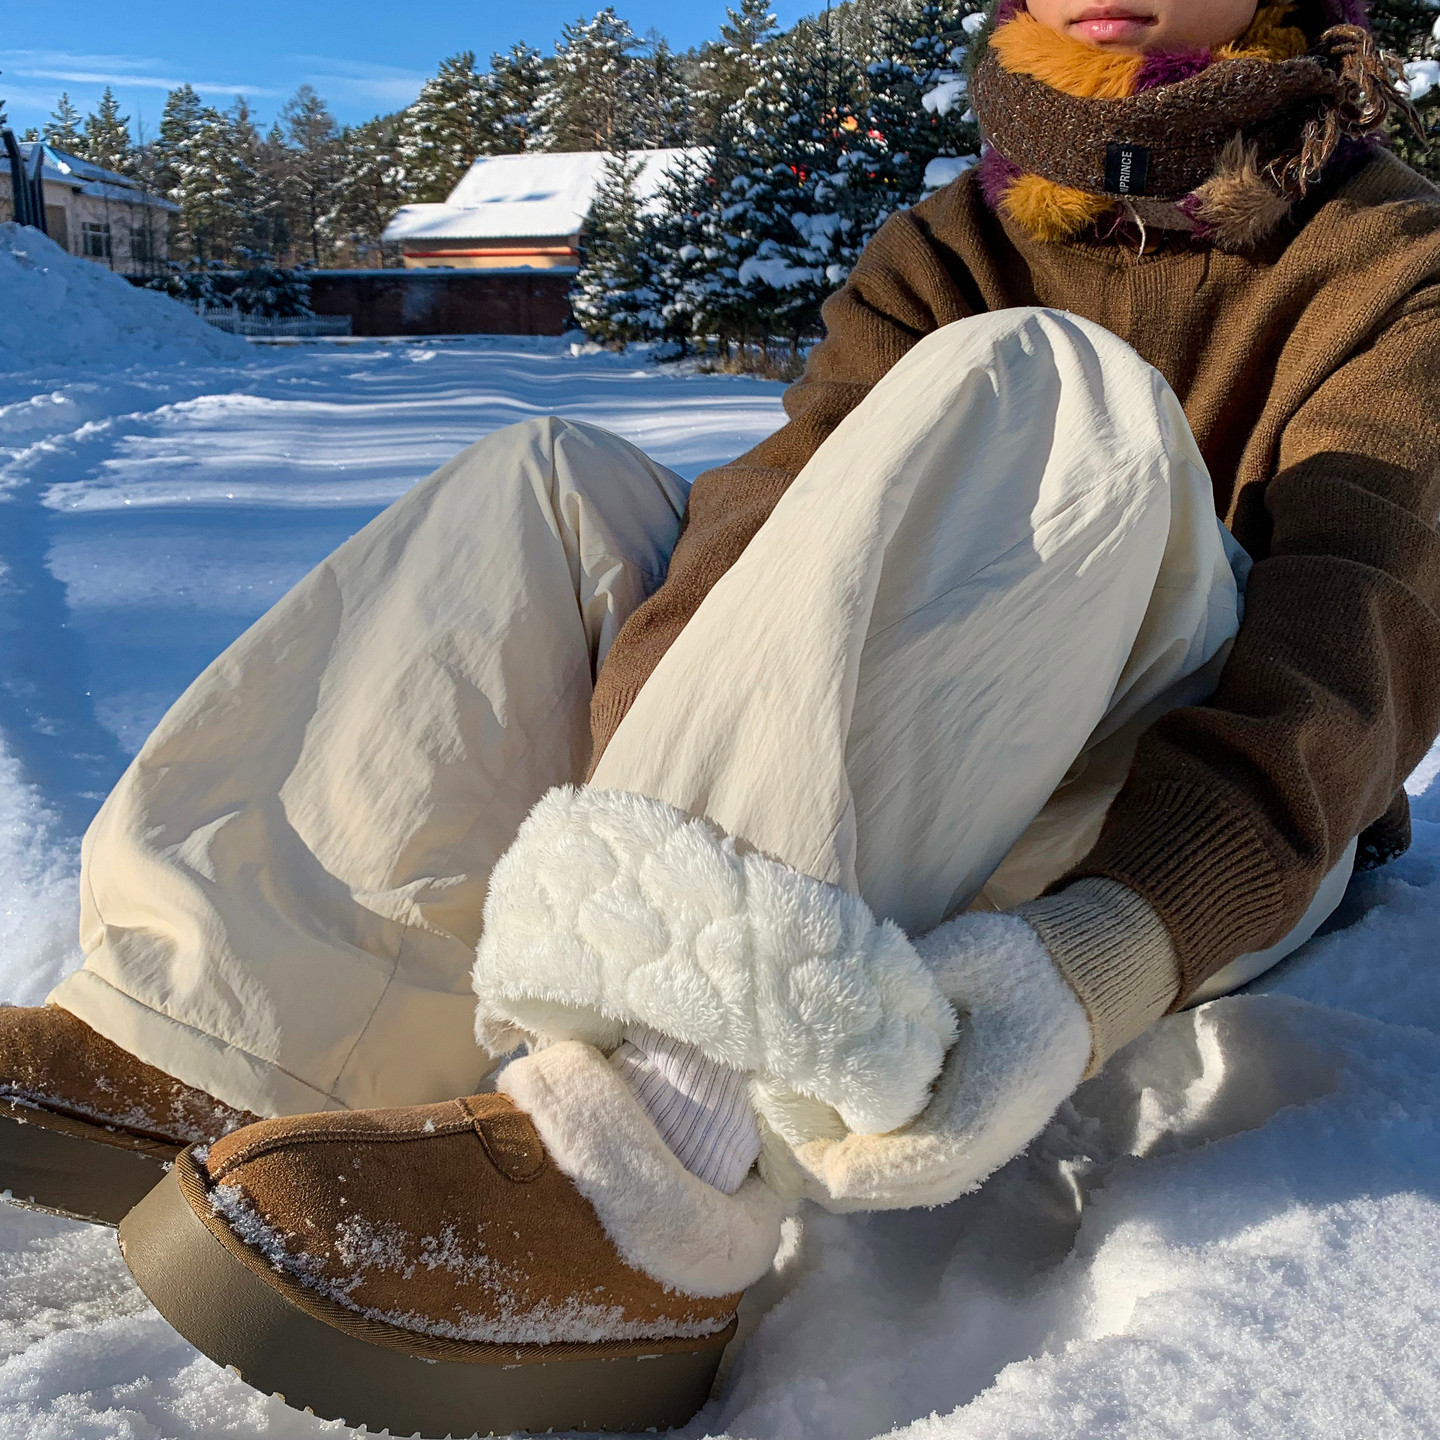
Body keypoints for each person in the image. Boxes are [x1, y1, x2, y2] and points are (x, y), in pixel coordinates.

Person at [4, 0, 1439, 1432]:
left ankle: (649, 1177)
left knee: (1051, 387)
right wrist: (656, 761)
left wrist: (1112, 948)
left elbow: (1358, 646)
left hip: (1214, 818)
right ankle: (230, 1030)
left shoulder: (1394, 262)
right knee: (555, 480)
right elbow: (758, 528)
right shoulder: (950, 243)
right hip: (897, 756)